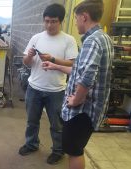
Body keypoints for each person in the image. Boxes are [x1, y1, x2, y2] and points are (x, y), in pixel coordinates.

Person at [42, 0, 113, 168]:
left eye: (75, 18)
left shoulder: (91, 41)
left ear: (84, 17)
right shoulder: (104, 38)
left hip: (82, 111)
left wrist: (77, 99)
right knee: (76, 149)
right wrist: (55, 66)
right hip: (90, 110)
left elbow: (88, 76)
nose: (75, 22)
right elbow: (80, 70)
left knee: (73, 150)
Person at [19, 3, 78, 165]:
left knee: (57, 124)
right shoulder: (36, 38)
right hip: (34, 88)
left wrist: (52, 59)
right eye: (46, 21)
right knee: (32, 121)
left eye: (53, 21)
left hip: (57, 90)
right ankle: (31, 144)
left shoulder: (69, 40)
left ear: (61, 21)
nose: (49, 25)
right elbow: (26, 63)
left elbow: (72, 65)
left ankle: (58, 151)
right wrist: (30, 56)